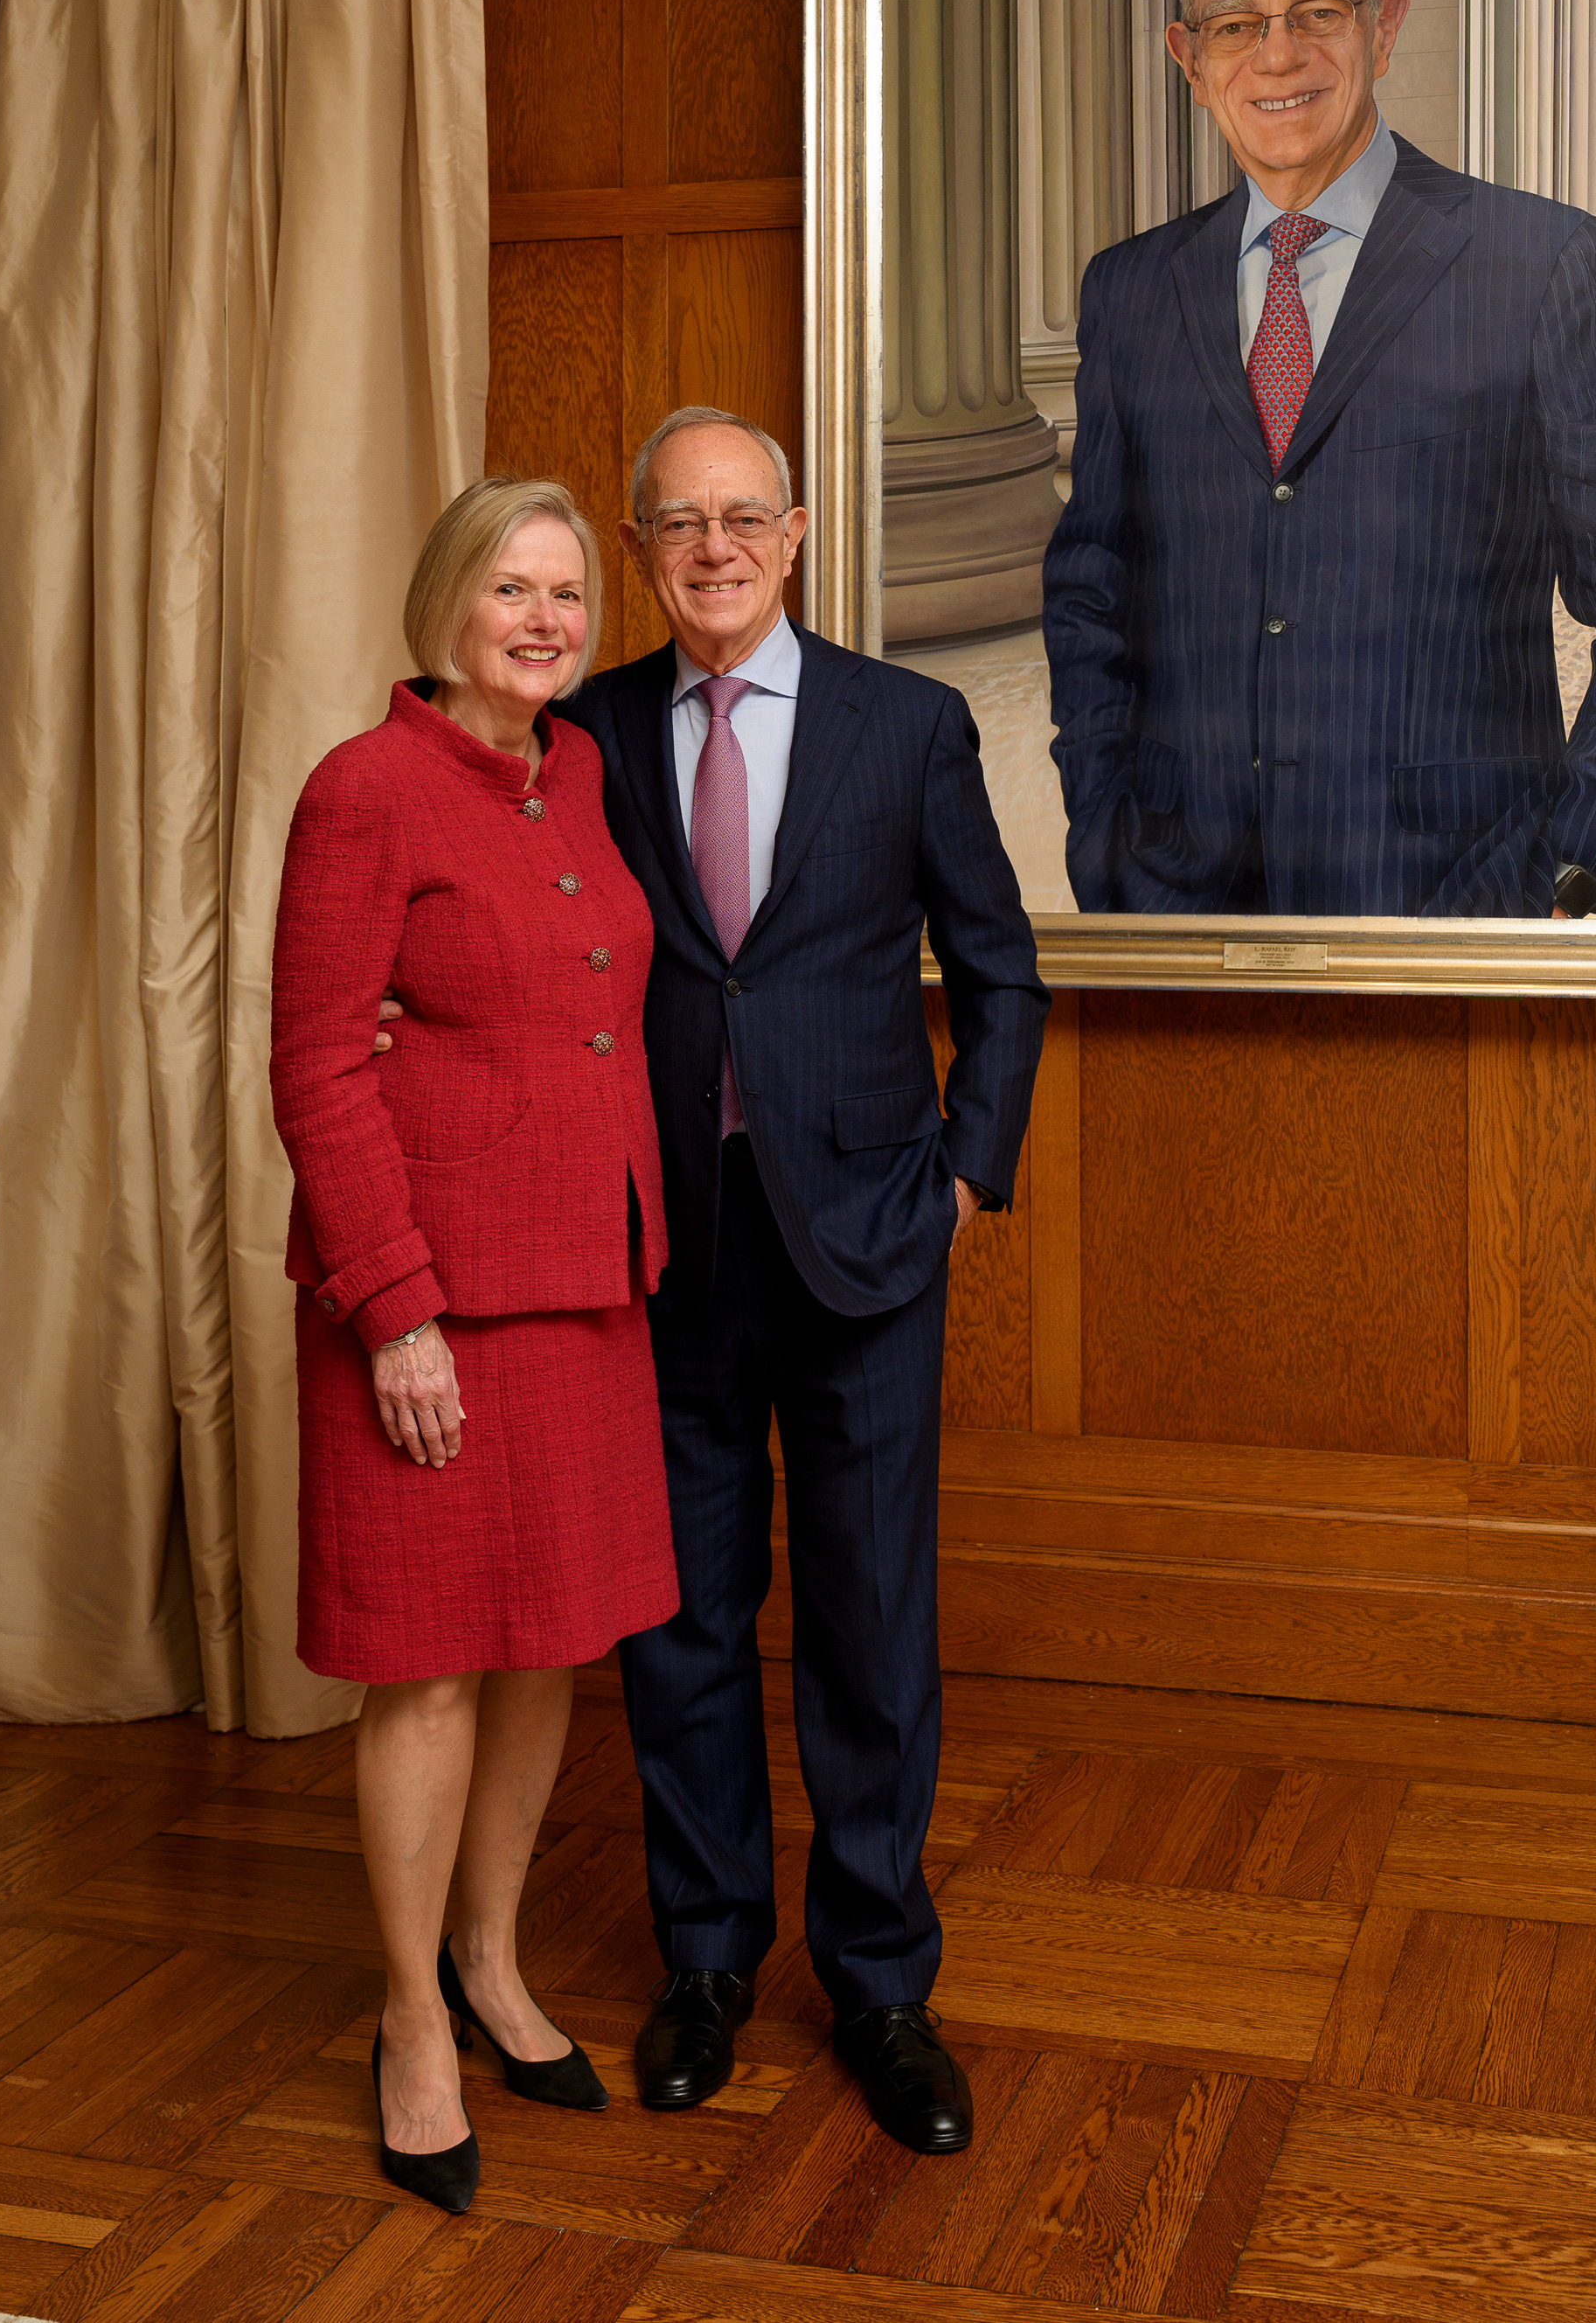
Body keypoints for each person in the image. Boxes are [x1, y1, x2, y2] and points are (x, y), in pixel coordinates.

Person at [562, 405, 1047, 2155]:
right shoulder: (586, 734)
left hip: (863, 1244)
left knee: (862, 1623)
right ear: (638, 550)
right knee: (678, 1623)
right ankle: (701, 1962)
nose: (710, 546)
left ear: (795, 534)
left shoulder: (904, 725)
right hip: (656, 1249)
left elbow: (997, 971)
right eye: (676, 522)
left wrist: (966, 1174)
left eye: (740, 516)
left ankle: (879, 1983)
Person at [271, 477, 679, 2216]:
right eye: (508, 588)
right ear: (445, 602)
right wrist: (393, 1307)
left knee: (544, 1648)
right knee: (427, 1665)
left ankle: (494, 1962)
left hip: (583, 1286)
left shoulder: (576, 768)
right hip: (430, 1307)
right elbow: (316, 1066)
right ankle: (407, 2022)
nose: (540, 618)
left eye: (565, 593)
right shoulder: (363, 789)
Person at [1042, 0, 1596, 921]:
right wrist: (1104, 830)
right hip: (1175, 905)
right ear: (1188, 59)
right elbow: (1091, 591)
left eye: (1316, 12)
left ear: (1382, 24)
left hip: (1454, 903)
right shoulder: (1127, 290)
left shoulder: (1541, 264)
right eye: (1233, 25)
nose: (1276, 55)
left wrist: (1569, 872)